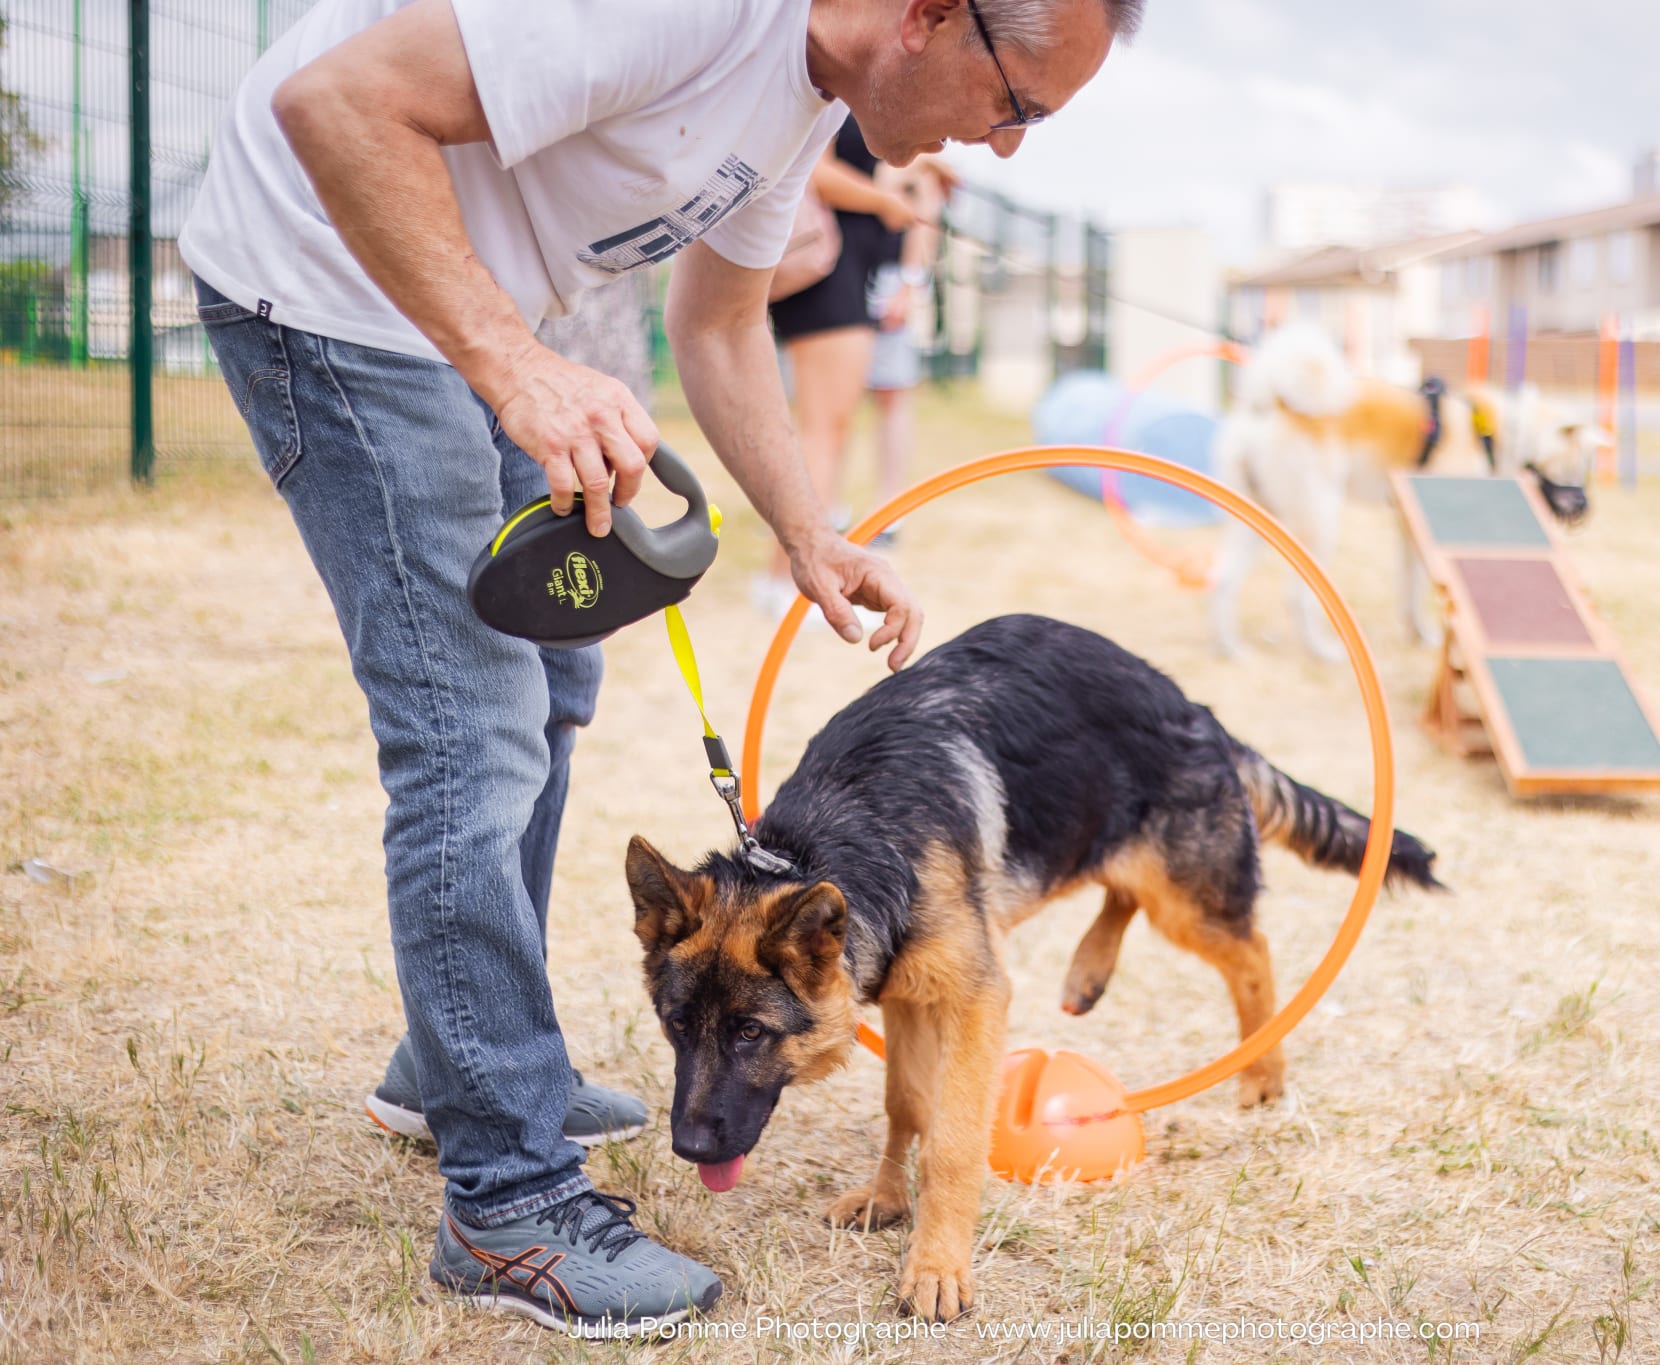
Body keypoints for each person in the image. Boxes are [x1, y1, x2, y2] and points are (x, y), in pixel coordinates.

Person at [176, 0, 1142, 1336]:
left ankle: (456, 1062)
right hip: (335, 280)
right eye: (1021, 103)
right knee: (478, 732)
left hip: (472, 307)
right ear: (929, 16)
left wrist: (812, 535)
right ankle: (505, 1200)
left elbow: (722, 321)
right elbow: (337, 105)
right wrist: (517, 365)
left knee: (562, 682)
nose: (1012, 147)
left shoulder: (805, 94)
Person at [754, 114, 918, 617]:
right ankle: (785, 583)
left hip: (847, 271)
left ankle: (786, 580)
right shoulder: (833, 90)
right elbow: (813, 170)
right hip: (825, 270)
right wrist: (887, 201)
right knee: (822, 431)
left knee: (829, 430)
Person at [862, 156, 959, 546]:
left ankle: (889, 511)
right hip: (842, 272)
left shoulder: (920, 162)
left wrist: (908, 286)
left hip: (888, 280)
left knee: (892, 396)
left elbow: (923, 221)